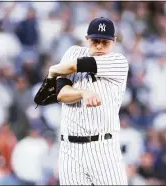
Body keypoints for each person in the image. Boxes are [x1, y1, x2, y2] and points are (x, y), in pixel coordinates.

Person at [47, 17, 129, 185]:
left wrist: (53, 69)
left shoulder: (119, 62)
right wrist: (83, 93)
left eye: (105, 42)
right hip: (70, 150)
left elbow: (70, 68)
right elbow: (61, 94)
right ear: (87, 39)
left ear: (113, 41)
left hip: (103, 149)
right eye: (95, 41)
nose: (99, 46)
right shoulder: (73, 52)